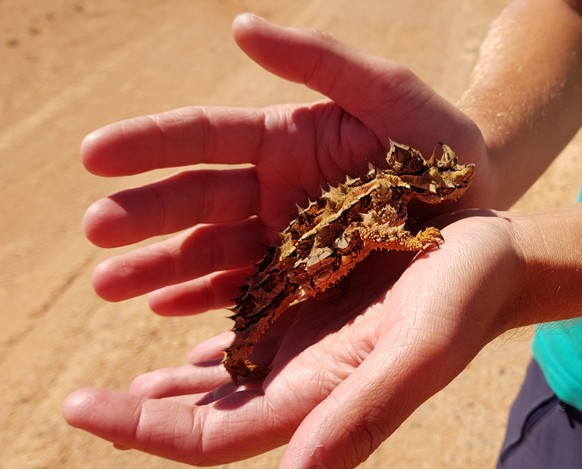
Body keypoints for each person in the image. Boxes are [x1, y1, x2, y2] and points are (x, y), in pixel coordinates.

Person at [63, 1, 582, 467]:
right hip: (564, 393)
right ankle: (240, 353)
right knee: (262, 307)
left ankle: (243, 349)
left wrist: (521, 265)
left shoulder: (397, 192)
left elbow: (375, 232)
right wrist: (488, 155)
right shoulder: (390, 192)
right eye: (447, 179)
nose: (453, 184)